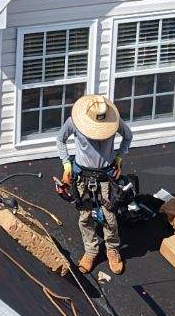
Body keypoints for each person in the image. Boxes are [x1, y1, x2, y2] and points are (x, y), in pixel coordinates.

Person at [54, 94, 132, 276]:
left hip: (106, 175)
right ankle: (91, 250)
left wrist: (120, 156)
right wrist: (66, 164)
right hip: (82, 175)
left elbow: (128, 136)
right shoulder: (75, 121)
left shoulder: (114, 121)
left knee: (109, 215)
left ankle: (112, 249)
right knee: (85, 216)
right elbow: (60, 139)